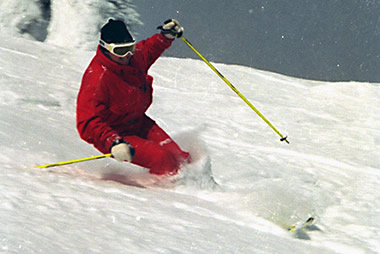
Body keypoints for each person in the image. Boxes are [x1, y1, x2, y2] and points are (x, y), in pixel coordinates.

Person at [76, 18, 190, 175]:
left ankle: (197, 187)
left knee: (181, 158)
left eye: (130, 48)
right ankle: (168, 195)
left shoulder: (132, 59)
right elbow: (87, 122)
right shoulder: (98, 78)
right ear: (106, 49)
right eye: (120, 51)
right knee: (163, 160)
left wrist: (165, 36)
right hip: (117, 134)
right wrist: (113, 142)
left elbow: (149, 49)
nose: (127, 55)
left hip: (139, 123)